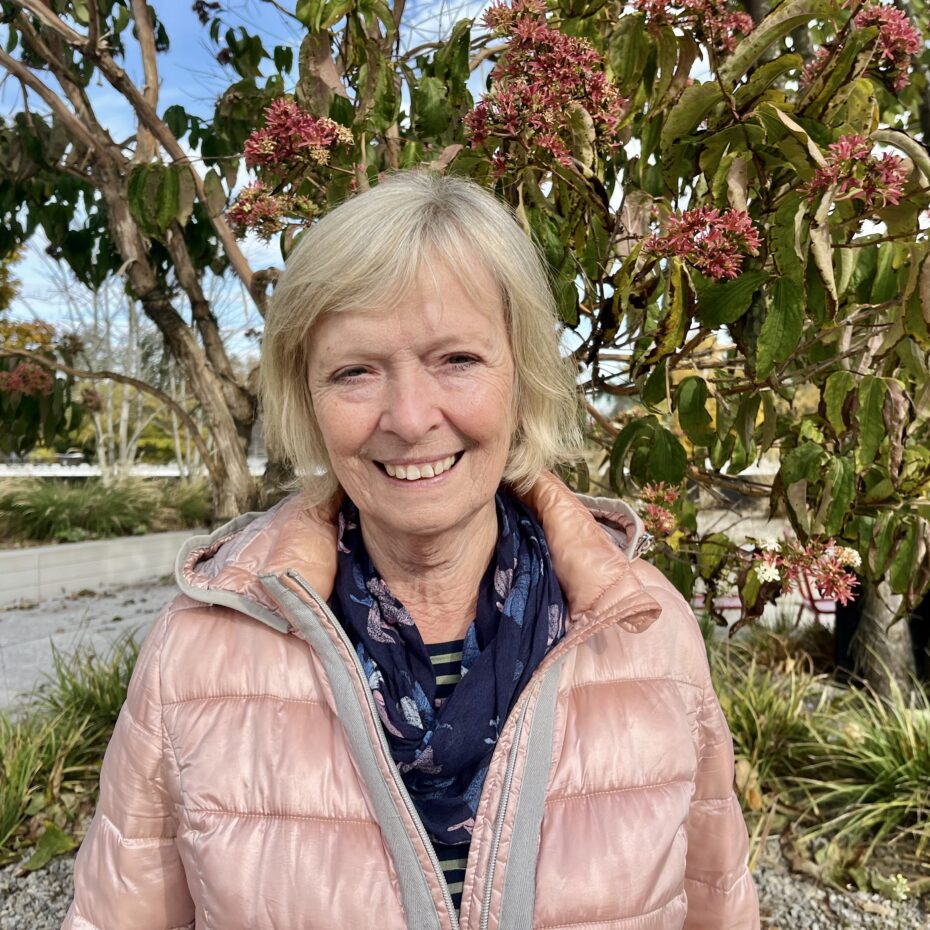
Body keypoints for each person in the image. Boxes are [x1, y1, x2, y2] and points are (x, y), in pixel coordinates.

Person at [63, 171, 759, 930]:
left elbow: (717, 903)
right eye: (355, 371)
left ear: (522, 377)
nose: (409, 417)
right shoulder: (197, 653)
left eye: (456, 359)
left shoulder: (646, 627)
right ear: (308, 398)